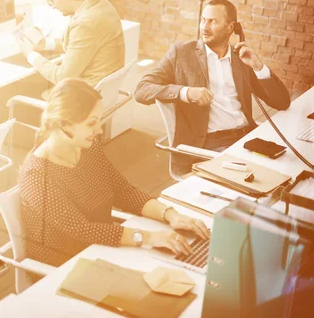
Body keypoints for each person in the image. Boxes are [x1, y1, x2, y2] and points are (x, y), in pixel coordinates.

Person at [19, 78, 210, 276]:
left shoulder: (86, 147)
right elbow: (81, 230)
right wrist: (149, 238)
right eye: (91, 123)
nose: (99, 130)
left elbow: (123, 191)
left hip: (101, 249)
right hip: (64, 268)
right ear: (62, 124)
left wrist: (171, 215)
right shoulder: (36, 176)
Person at [134, 0, 290, 175]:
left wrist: (259, 67)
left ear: (231, 27)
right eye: (203, 20)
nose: (205, 27)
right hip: (212, 145)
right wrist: (185, 92)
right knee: (259, 181)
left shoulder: (241, 58)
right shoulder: (182, 53)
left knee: (288, 172)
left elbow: (282, 102)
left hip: (248, 139)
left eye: (213, 21)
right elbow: (142, 89)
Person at [19, 0, 126, 96]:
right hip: (102, 91)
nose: (52, 7)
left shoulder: (85, 24)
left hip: (85, 98)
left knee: (26, 90)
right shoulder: (101, 4)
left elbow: (62, 77)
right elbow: (81, 46)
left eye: (51, 0)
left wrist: (30, 55)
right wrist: (45, 44)